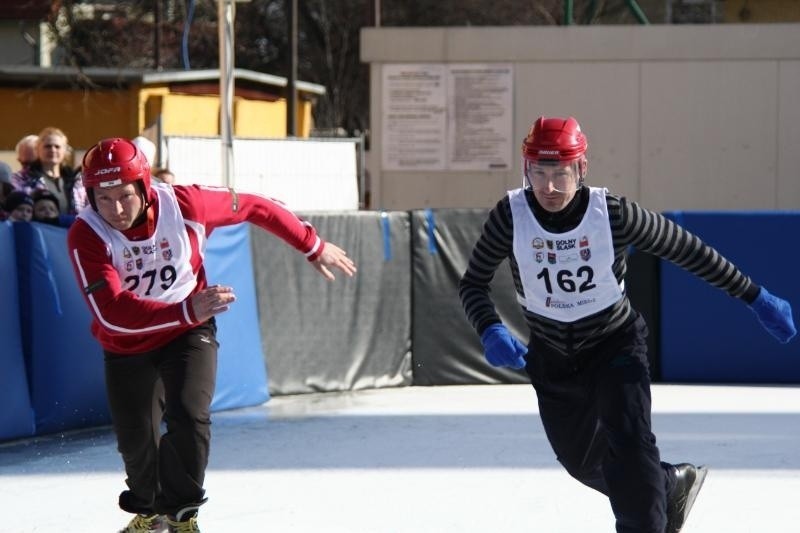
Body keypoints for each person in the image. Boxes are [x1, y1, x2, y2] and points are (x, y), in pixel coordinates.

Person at [458, 116, 796, 533]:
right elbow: (473, 283)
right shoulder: (510, 216)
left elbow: (687, 249)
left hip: (613, 345)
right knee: (583, 463)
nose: (548, 187)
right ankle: (668, 483)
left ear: (581, 169)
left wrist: (753, 296)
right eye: (538, 173)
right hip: (551, 355)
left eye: (560, 174)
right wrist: (489, 327)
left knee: (631, 451)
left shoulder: (612, 214)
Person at [66, 137, 356, 533]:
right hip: (129, 343)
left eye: (124, 196)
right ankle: (149, 511)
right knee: (137, 444)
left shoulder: (186, 204)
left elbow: (256, 205)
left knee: (189, 414)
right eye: (103, 198)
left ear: (145, 188)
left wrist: (311, 244)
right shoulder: (87, 234)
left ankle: (182, 514)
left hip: (188, 332)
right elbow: (112, 313)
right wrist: (185, 308)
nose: (115, 210)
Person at [12, 127, 87, 215]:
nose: (52, 150)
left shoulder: (77, 181)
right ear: (37, 149)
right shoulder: (23, 179)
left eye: (57, 146)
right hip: (39, 228)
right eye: (47, 146)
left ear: (65, 150)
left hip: (73, 228)